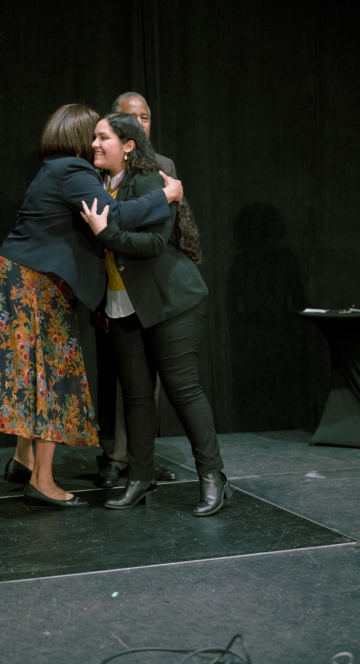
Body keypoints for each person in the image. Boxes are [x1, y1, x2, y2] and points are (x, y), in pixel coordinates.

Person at [0, 103, 184, 511]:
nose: (95, 143)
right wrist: (166, 195)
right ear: (77, 135)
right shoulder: (73, 170)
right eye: (93, 134)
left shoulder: (54, 168)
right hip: (33, 281)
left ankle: (24, 460)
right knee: (51, 372)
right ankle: (42, 481)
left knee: (34, 373)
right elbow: (114, 214)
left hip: (21, 275)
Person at [81, 112, 232, 516]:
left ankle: (212, 476)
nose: (94, 144)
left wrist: (106, 232)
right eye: (94, 138)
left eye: (103, 138)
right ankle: (139, 478)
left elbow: (153, 244)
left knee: (183, 390)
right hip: (122, 306)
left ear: (128, 146)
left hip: (170, 302)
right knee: (136, 397)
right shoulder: (96, 185)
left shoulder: (149, 182)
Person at [94, 92, 178, 488]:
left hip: (144, 284)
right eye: (132, 117)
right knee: (113, 376)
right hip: (106, 285)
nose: (141, 123)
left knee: (147, 383)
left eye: (145, 117)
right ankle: (113, 456)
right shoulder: (96, 164)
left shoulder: (162, 166)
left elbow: (164, 232)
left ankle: (140, 460)